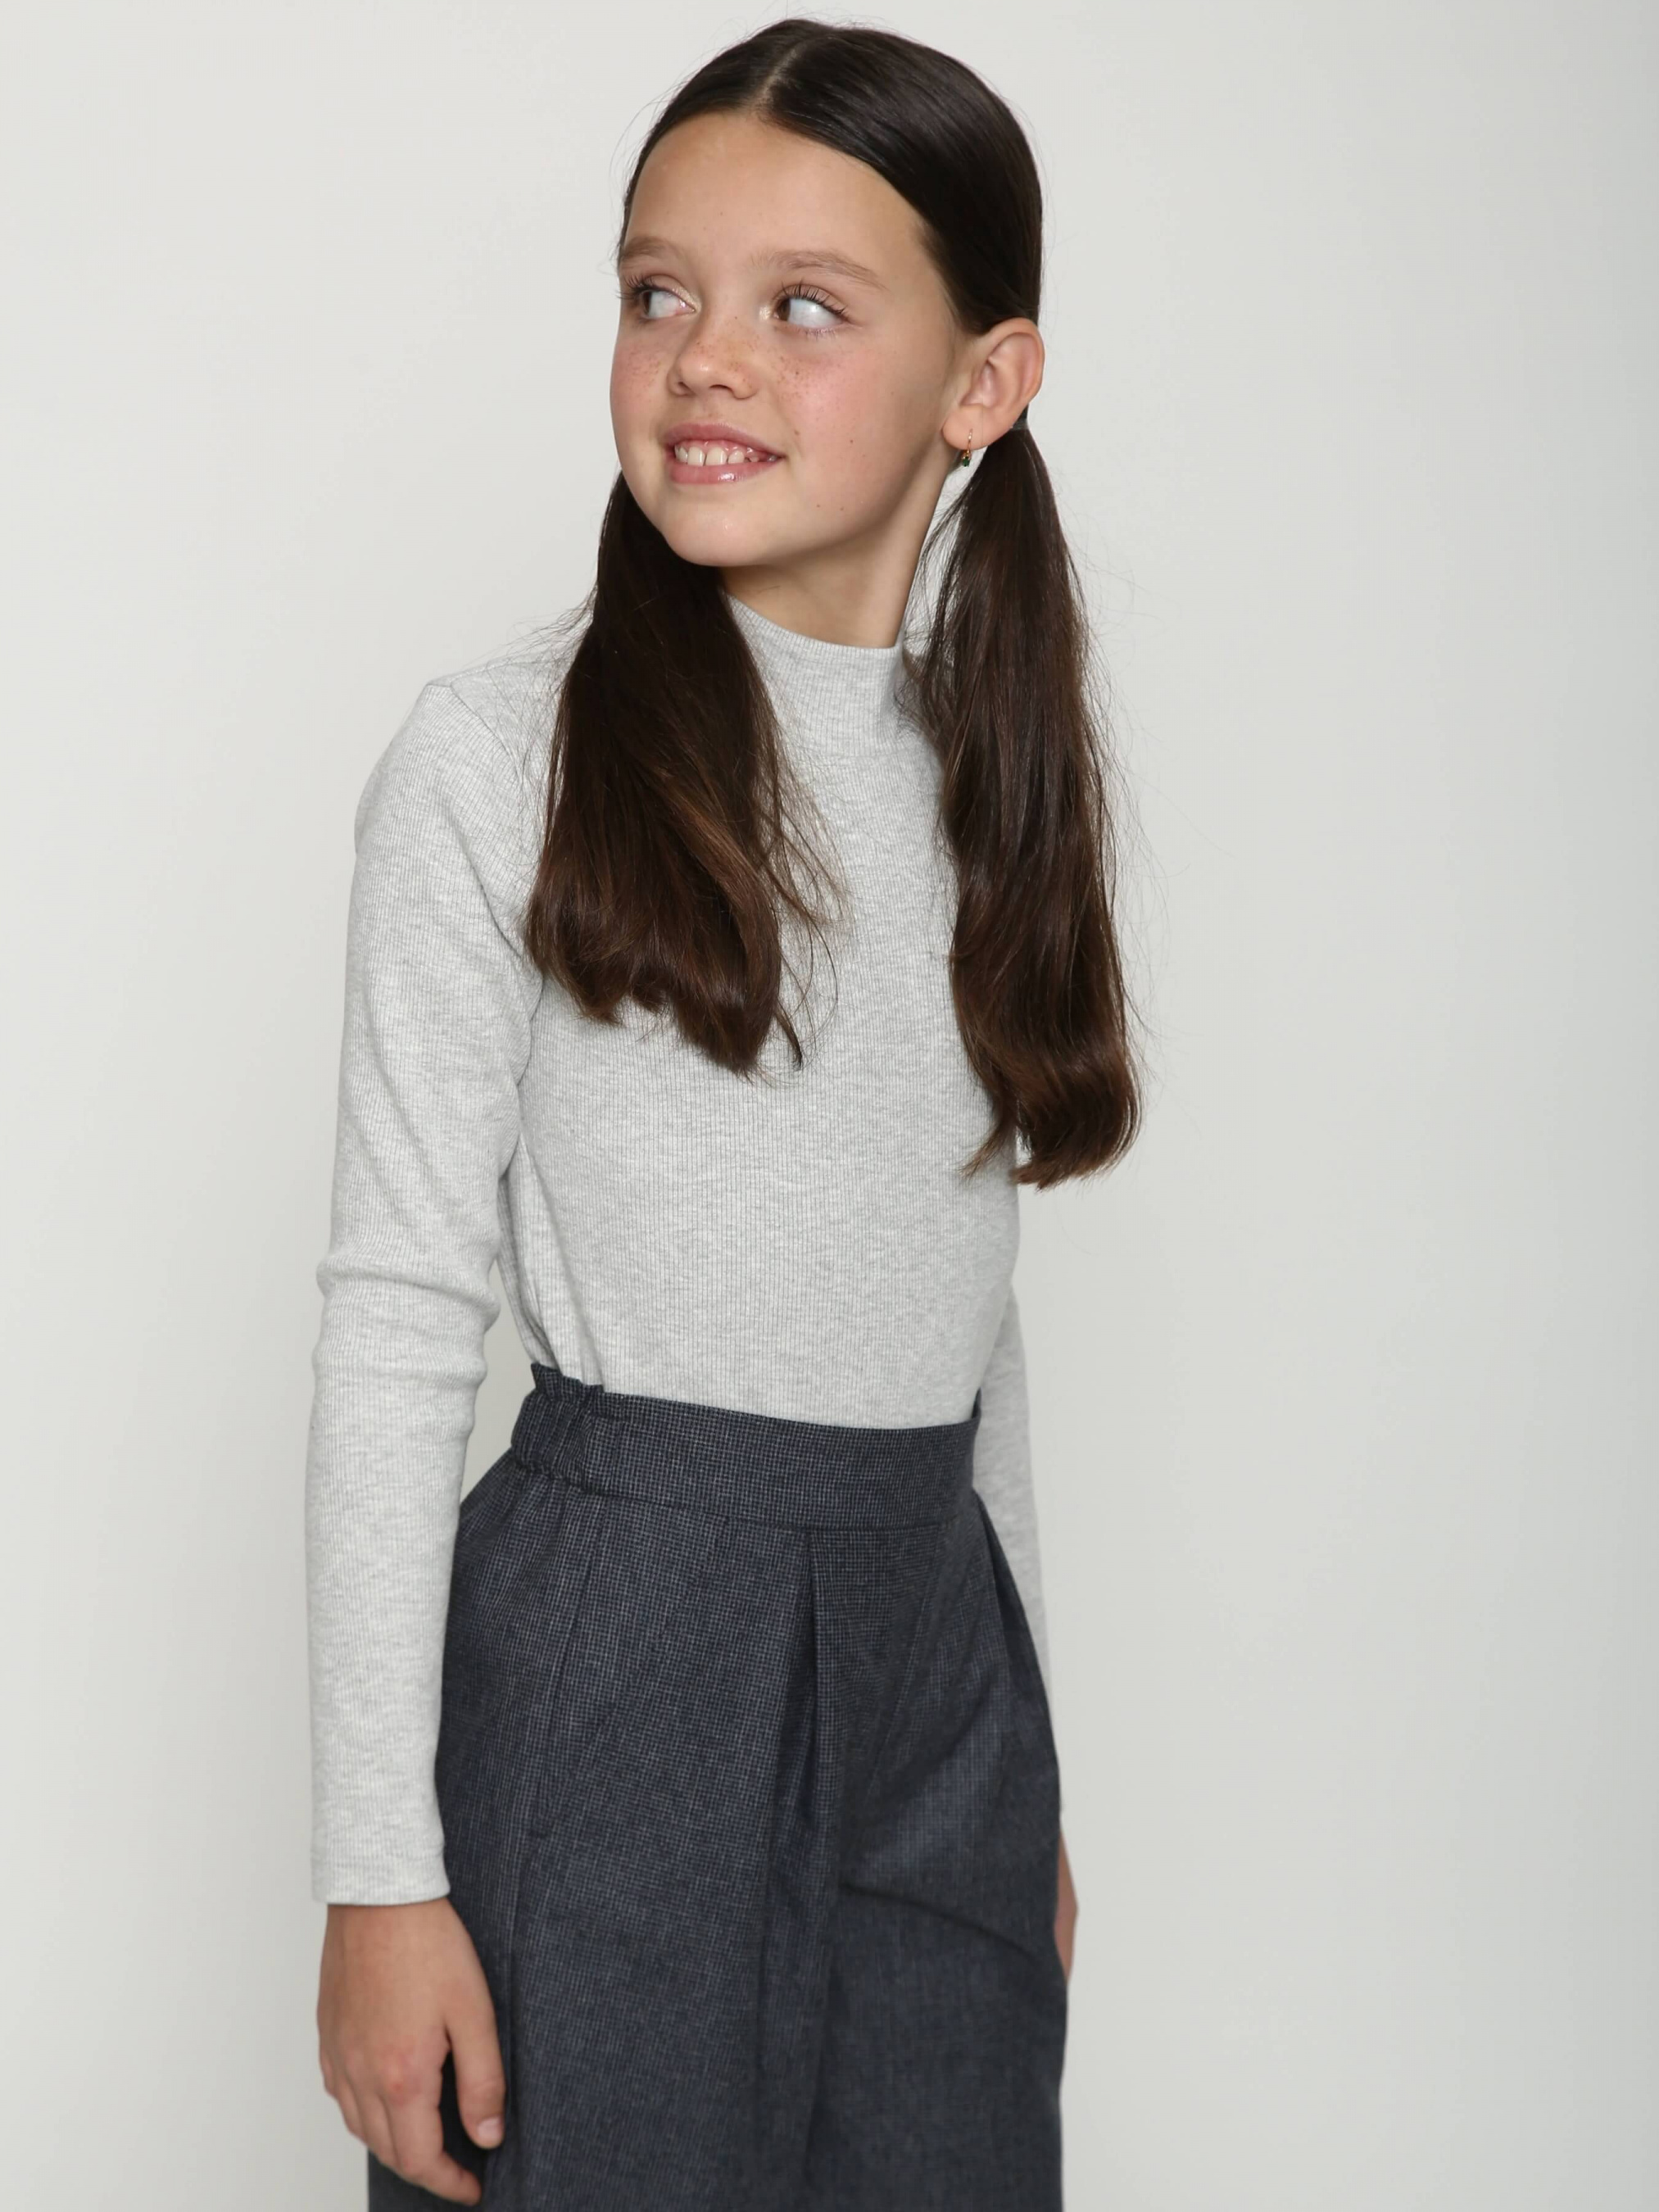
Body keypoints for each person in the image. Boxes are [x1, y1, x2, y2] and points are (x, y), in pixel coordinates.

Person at [306, 18, 1141, 2208]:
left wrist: (1021, 1757)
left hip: (935, 1668)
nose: (705, 359)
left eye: (805, 306)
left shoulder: (987, 779)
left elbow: (967, 1303)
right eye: (657, 289)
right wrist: (382, 1879)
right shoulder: (499, 760)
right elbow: (398, 1322)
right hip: (624, 1649)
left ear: (984, 381)